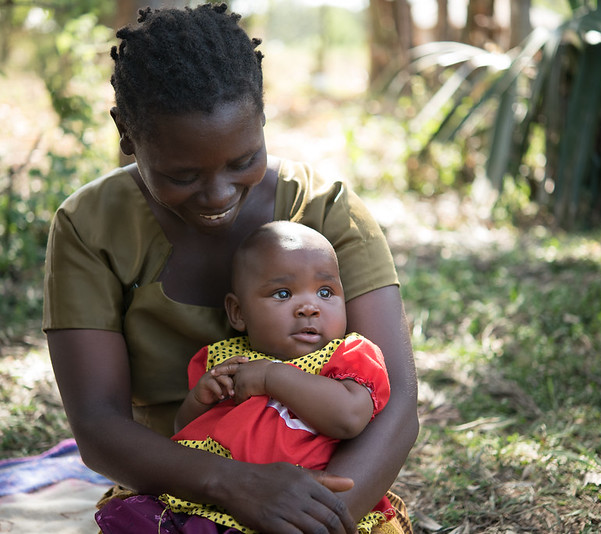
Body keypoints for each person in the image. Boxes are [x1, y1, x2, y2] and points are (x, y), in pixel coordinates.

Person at [43, 4, 419, 533]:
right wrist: (234, 485)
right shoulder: (90, 228)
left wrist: (321, 520)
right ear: (126, 136)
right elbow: (99, 426)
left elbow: (398, 403)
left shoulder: (326, 211)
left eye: (243, 161)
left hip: (324, 487)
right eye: (183, 173)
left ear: (262, 119)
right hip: (179, 485)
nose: (218, 195)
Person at [96, 221, 398, 533]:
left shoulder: (347, 355)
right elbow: (186, 435)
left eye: (325, 291)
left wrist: (271, 377)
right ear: (238, 312)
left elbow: (349, 418)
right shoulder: (227, 359)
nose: (309, 307)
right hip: (217, 502)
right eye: (283, 293)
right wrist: (198, 401)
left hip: (298, 505)